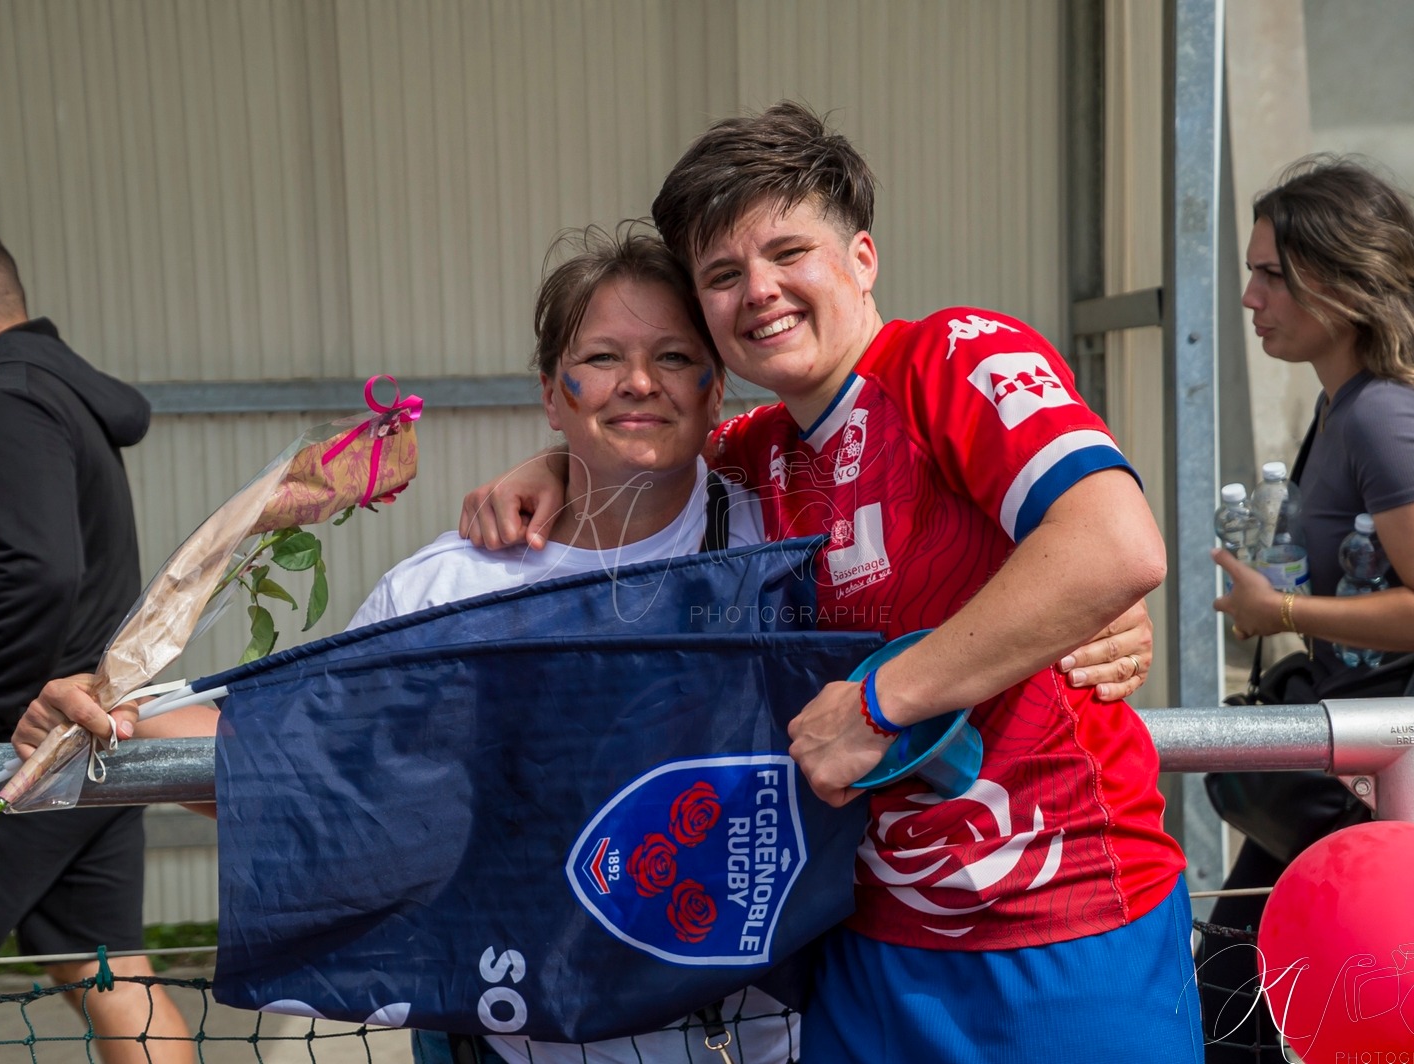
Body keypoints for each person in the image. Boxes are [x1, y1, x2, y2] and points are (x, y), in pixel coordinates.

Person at [460, 103, 1198, 1062]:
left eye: (787, 253)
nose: (758, 292)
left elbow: (1115, 545)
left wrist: (885, 703)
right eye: (722, 275)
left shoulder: (956, 355)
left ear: (861, 259)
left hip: (1057, 926)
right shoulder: (760, 452)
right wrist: (550, 468)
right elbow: (641, 451)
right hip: (866, 948)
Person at [18, 225, 796, 1064]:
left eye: (675, 356)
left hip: (759, 1042)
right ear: (551, 393)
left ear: (720, 388)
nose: (639, 383)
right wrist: (113, 716)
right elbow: (309, 764)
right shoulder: (449, 590)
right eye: (602, 357)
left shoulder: (787, 542)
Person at [0, 214, 191, 1064]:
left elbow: (44, 571)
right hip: (78, 740)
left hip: (12, 753)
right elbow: (37, 568)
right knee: (107, 971)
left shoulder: (2, 403)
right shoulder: (45, 393)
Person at [1204, 156, 1414, 1060]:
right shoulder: (1346, 406)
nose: (1250, 297)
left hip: (1404, 780)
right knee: (1236, 1004)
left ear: (1344, 282)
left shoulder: (1381, 418)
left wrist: (1280, 610)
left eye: (1272, 275)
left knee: (1242, 1014)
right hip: (1365, 775)